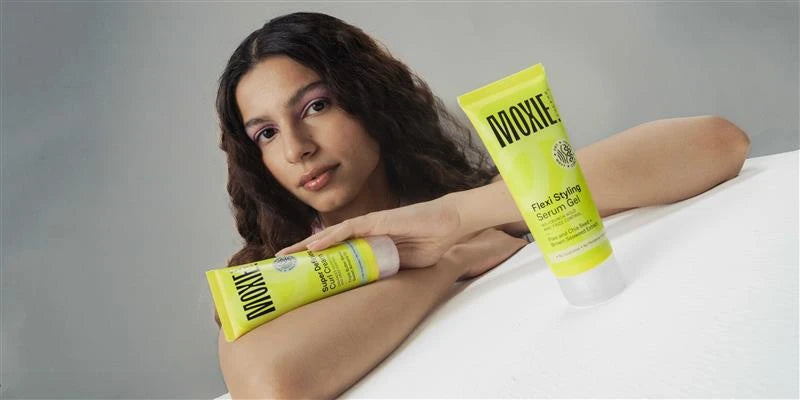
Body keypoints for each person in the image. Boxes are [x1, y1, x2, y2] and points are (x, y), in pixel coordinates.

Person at [214, 11, 750, 398]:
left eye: (316, 105)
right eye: (264, 133)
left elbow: (718, 144)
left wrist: (457, 219)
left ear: (370, 97)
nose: (295, 147)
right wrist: (446, 263)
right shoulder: (267, 282)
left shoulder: (486, 210)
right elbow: (271, 388)